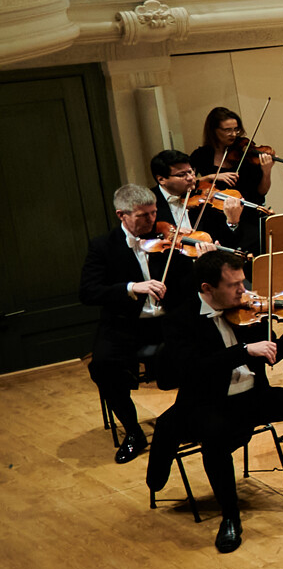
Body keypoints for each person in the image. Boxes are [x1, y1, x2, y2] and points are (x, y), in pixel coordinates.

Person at [143, 248, 283, 552]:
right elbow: (192, 370)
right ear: (207, 289)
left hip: (253, 396)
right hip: (207, 404)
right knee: (215, 440)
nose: (243, 291)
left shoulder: (248, 310)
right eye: (234, 285)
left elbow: (271, 352)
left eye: (243, 282)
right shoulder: (181, 320)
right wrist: (244, 352)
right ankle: (230, 517)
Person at [82, 184, 190, 460]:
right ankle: (133, 432)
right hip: (126, 325)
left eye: (154, 213)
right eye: (143, 216)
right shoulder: (102, 247)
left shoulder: (167, 239)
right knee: (103, 366)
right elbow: (88, 292)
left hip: (168, 322)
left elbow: (186, 281)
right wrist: (132, 287)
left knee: (201, 353)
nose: (152, 220)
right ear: (122, 215)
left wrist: (200, 253)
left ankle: (188, 420)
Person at [152, 149, 248, 251]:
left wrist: (232, 222)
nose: (190, 178)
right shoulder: (148, 204)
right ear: (161, 179)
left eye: (190, 172)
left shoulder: (204, 200)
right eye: (181, 175)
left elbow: (230, 242)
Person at [194, 104, 276, 213]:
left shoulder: (245, 153)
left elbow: (261, 192)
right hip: (216, 212)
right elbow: (188, 184)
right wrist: (212, 176)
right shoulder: (201, 155)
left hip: (248, 213)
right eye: (227, 130)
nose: (233, 134)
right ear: (214, 130)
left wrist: (266, 171)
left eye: (236, 129)